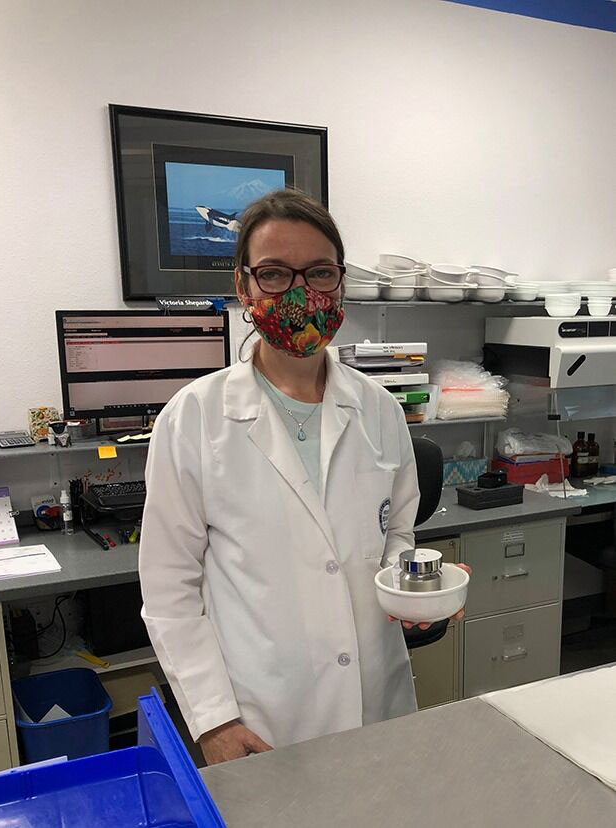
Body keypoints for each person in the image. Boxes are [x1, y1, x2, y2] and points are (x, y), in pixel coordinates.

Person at [139, 189, 467, 766]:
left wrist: (418, 584)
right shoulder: (193, 419)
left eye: (318, 272)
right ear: (243, 287)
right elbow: (169, 590)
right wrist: (214, 721)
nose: (299, 293)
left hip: (376, 697)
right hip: (264, 714)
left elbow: (395, 535)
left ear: (340, 282)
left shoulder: (380, 410)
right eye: (273, 274)